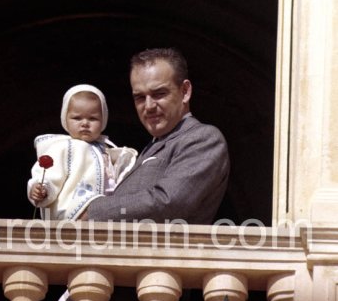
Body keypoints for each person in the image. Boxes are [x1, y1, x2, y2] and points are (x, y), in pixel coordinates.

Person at [81, 47, 230, 224]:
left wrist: (93, 211)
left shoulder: (203, 139)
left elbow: (169, 202)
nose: (149, 106)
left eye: (159, 94)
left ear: (185, 91)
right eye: (140, 97)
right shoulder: (152, 146)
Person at [27, 84, 137, 221]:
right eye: (77, 118)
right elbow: (50, 174)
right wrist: (41, 188)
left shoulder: (106, 151)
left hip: (106, 211)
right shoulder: (63, 147)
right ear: (65, 119)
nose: (85, 123)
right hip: (76, 212)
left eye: (92, 119)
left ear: (103, 121)